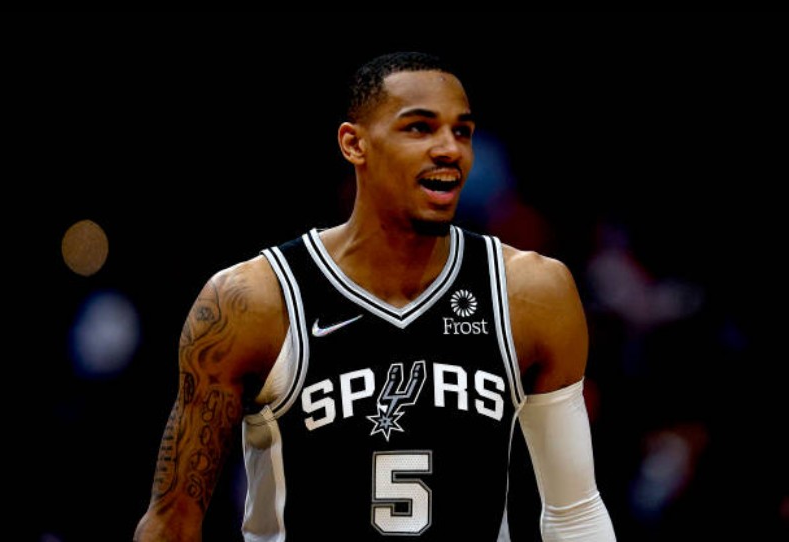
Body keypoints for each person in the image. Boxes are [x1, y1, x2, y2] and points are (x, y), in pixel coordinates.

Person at [133, 51, 617, 541]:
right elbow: (173, 522)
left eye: (462, 131)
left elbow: (575, 514)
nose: (449, 149)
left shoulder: (529, 292)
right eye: (420, 128)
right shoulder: (254, 301)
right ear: (354, 144)